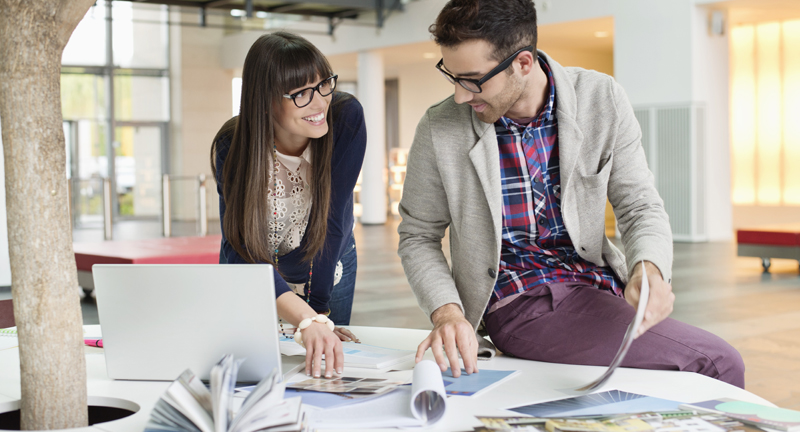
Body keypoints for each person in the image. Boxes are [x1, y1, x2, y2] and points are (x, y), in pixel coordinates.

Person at [398, 0, 745, 387]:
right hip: (521, 299)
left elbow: (639, 204)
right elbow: (418, 236)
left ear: (523, 63)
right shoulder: (439, 127)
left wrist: (649, 269)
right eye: (453, 77)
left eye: (473, 79)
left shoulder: (601, 98)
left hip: (598, 288)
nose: (461, 96)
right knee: (717, 363)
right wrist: (448, 314)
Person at [211, 31, 366, 379]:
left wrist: (317, 316)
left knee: (323, 371)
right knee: (253, 372)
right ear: (264, 101)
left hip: (327, 261)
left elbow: (333, 220)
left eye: (324, 84)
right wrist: (304, 317)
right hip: (256, 264)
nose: (319, 102)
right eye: (301, 94)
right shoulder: (231, 145)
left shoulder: (345, 118)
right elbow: (239, 248)